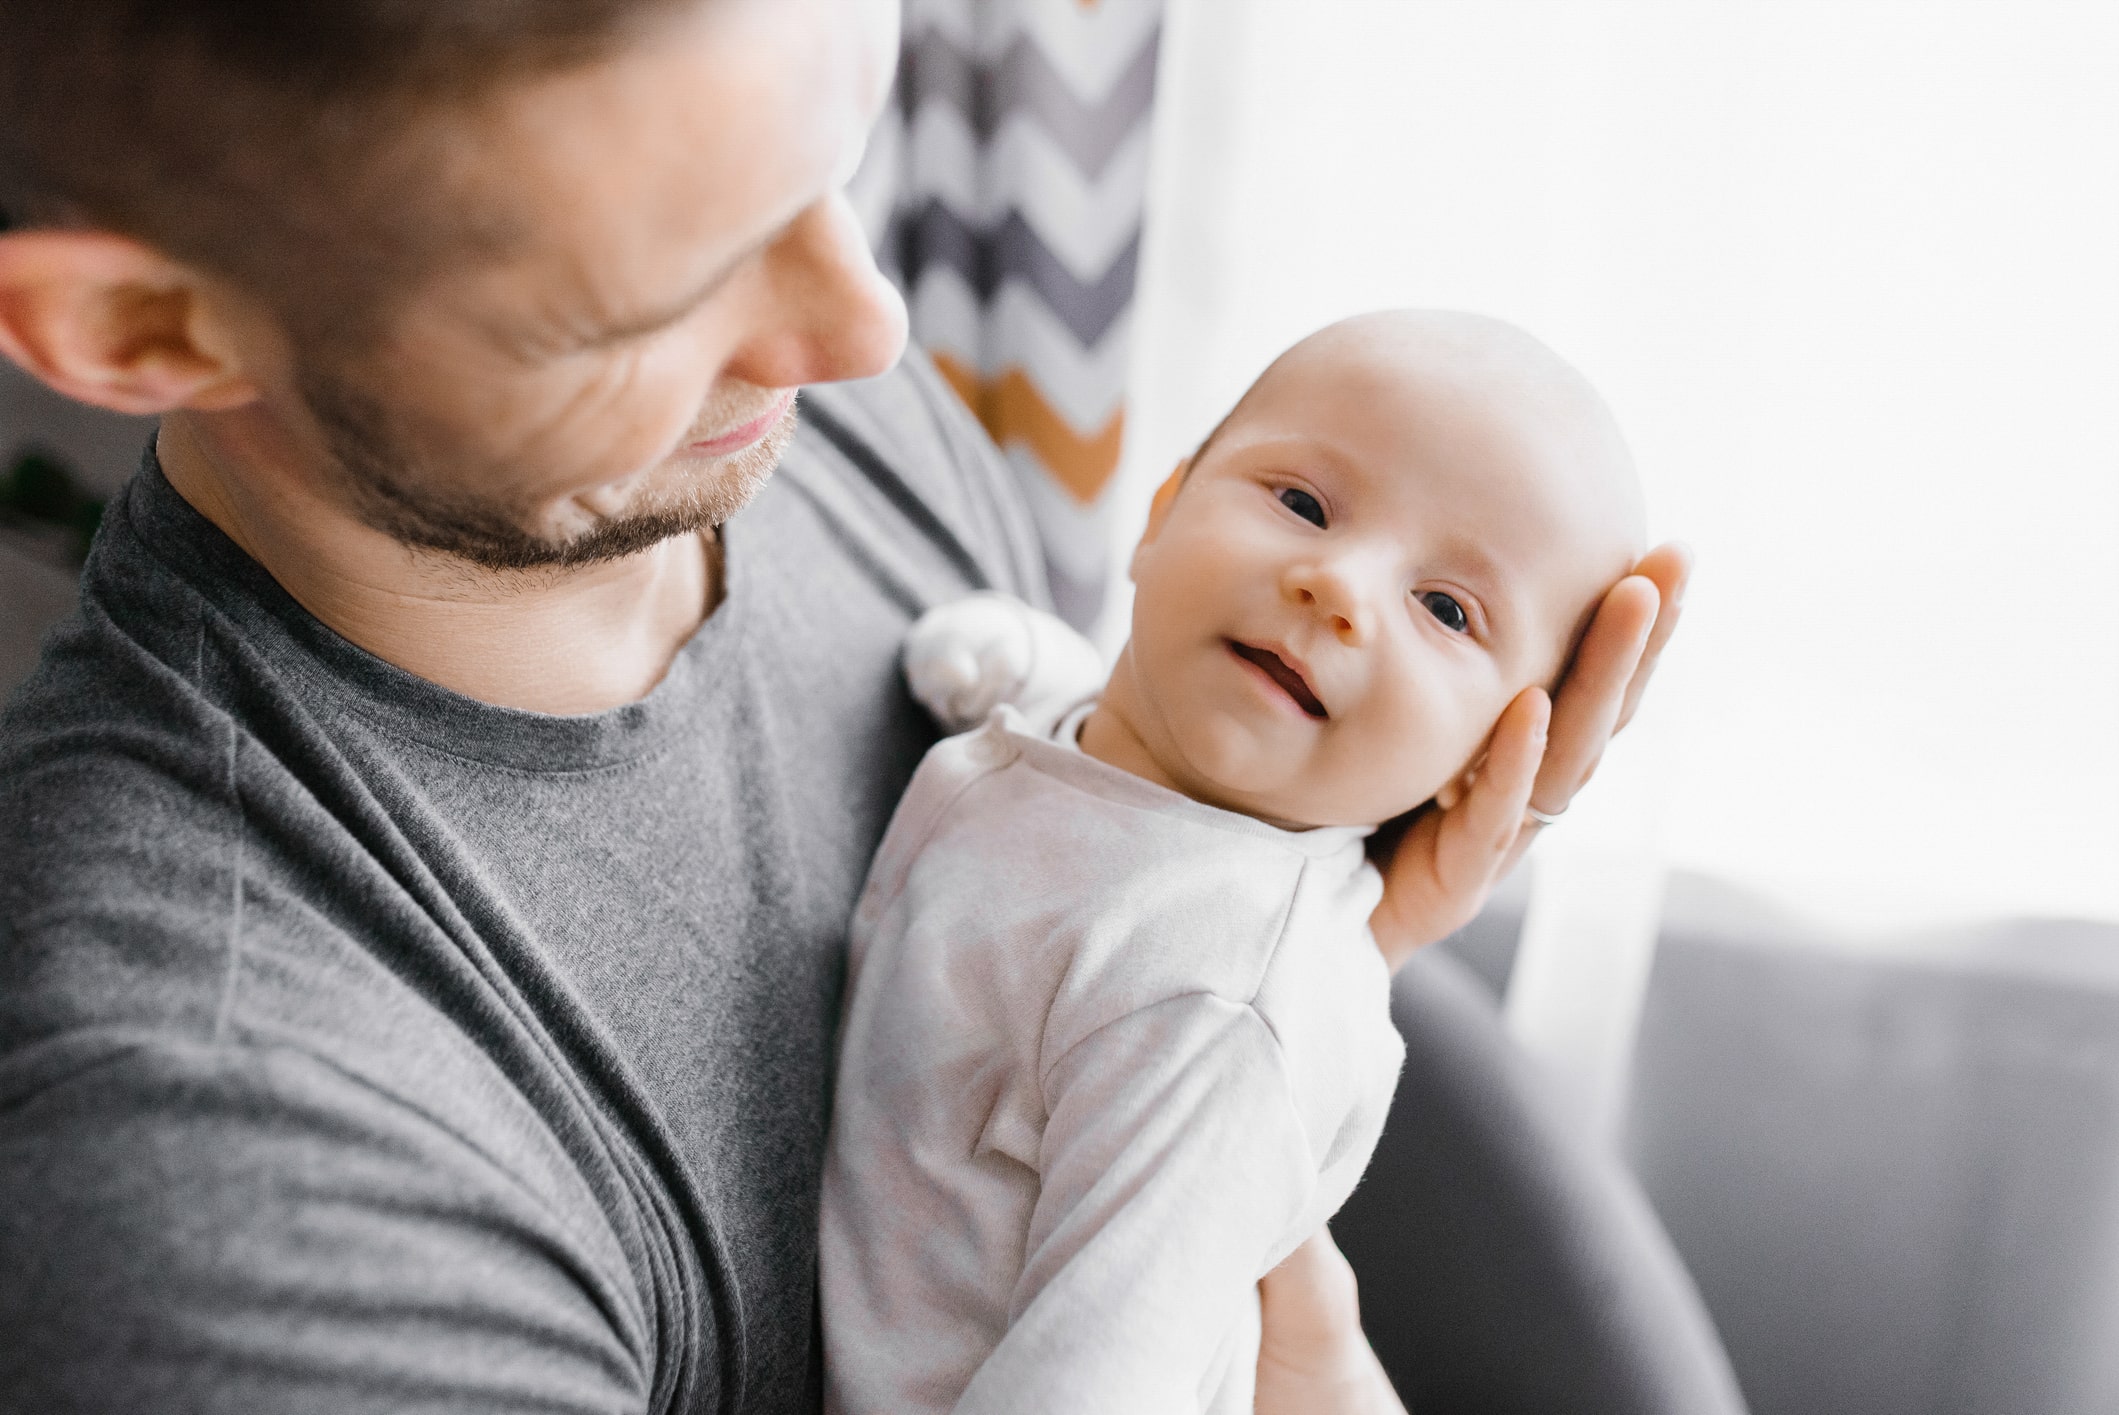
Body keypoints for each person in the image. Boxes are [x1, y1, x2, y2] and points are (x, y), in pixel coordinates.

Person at [0, 2, 1686, 1411]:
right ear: (147, 324)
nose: (861, 331)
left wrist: (1307, 948)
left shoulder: (766, 423)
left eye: (838, 152)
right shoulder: (240, 1197)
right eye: (660, 292)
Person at [821, 310, 1647, 1414]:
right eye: (1300, 502)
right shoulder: (1114, 754)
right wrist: (1007, 660)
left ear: (1483, 761)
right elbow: (1078, 762)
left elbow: (1095, 1385)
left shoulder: (1215, 1004)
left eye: (1446, 608)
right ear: (1159, 516)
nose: (1337, 585)